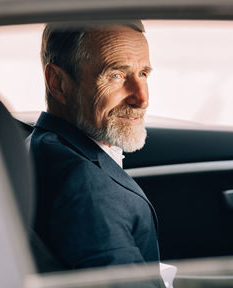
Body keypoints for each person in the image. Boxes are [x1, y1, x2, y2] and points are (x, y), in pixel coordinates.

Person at [27, 21, 160, 284]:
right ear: (58, 83)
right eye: (116, 76)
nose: (142, 98)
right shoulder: (89, 191)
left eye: (143, 74)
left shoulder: (43, 144)